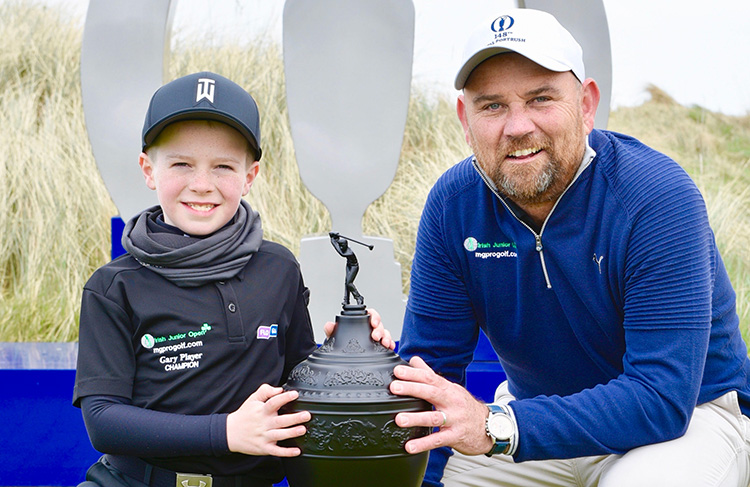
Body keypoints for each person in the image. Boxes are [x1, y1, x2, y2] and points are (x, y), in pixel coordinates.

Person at [389, 8, 750, 487]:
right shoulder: (452, 206)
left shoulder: (656, 198)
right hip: (533, 418)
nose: (517, 127)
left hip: (688, 419)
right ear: (465, 118)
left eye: (540, 99)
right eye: (492, 106)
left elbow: (661, 398)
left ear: (586, 104)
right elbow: (430, 376)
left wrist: (498, 426)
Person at [73, 71, 393, 487]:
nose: (201, 185)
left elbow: (297, 385)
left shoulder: (279, 270)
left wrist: (349, 351)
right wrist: (226, 432)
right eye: (181, 164)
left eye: (223, 166)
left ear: (250, 175)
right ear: (148, 169)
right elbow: (103, 422)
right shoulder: (114, 286)